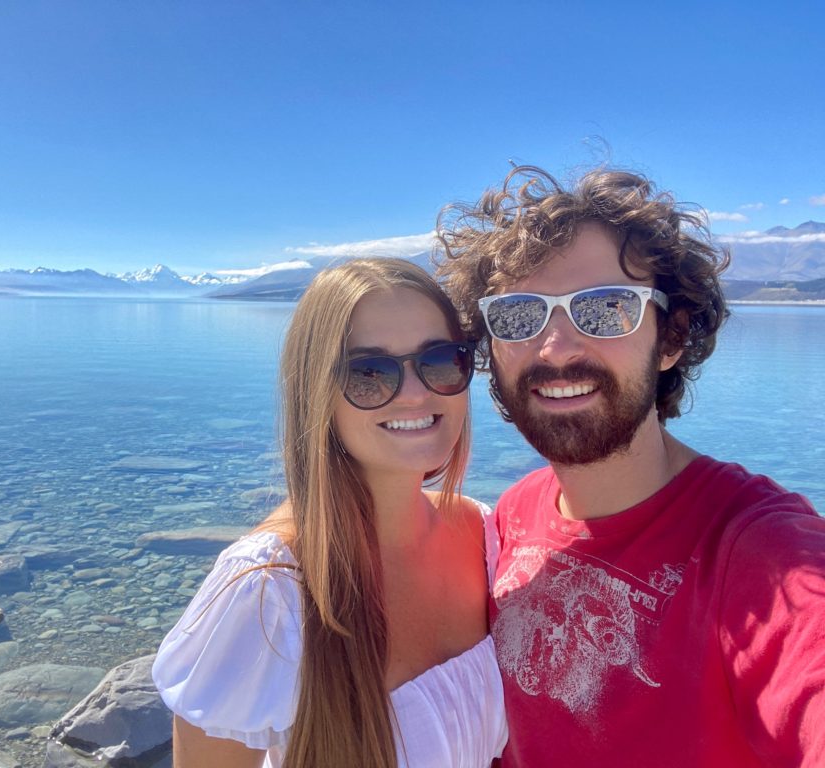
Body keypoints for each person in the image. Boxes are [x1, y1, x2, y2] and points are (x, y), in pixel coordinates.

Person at [437, 165, 825, 767]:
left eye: (605, 309)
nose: (556, 347)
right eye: (519, 315)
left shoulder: (758, 549)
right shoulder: (514, 513)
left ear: (671, 338)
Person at [151, 258, 508, 768]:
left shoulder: (484, 534)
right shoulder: (268, 590)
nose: (415, 393)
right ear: (317, 394)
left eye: (440, 359)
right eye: (368, 373)